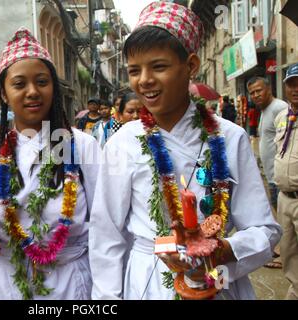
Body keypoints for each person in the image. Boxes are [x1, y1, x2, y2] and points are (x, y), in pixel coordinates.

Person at [89, 1, 281, 300]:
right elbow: (107, 235)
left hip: (217, 278)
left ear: (191, 65)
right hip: (149, 281)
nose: (144, 80)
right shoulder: (122, 143)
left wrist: (221, 251)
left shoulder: (230, 137)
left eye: (159, 66)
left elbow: (264, 229)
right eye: (134, 70)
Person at [0, 27, 100, 300]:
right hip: (10, 282)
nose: (32, 92)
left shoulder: (82, 146)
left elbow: (104, 223)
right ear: (4, 94)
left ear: (54, 88)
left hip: (69, 282)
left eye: (42, 82)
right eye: (19, 84)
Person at [273, 62, 298, 299]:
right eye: (291, 84)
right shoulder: (283, 117)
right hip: (284, 199)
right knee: (289, 253)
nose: (296, 88)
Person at [248, 76, 288, 214]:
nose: (255, 95)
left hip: (281, 179)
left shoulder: (280, 108)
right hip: (272, 177)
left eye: (259, 91)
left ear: (269, 89)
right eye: (252, 93)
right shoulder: (264, 110)